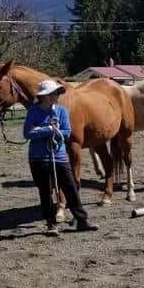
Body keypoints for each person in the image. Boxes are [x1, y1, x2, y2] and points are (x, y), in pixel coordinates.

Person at [23, 80, 97, 235]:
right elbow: (28, 133)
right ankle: (51, 224)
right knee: (45, 190)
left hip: (59, 156)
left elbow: (67, 132)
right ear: (44, 96)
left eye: (56, 93)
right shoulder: (33, 112)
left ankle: (82, 220)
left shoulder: (62, 111)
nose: (56, 97)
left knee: (70, 187)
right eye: (52, 94)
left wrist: (43, 130)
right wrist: (49, 129)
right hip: (39, 158)